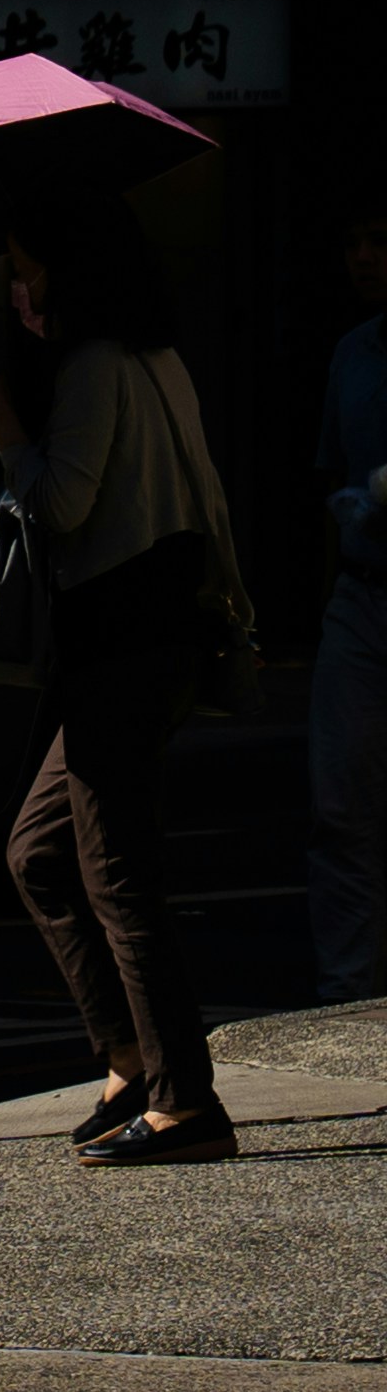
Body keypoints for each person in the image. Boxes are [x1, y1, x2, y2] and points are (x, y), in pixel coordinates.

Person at [0, 202, 255, 1164]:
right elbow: (207, 494)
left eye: (27, 271)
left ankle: (185, 1100)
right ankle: (130, 1059)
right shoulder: (160, 360)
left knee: (117, 874)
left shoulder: (94, 366)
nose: (22, 293)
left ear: (70, 272)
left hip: (122, 647)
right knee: (39, 853)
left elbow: (60, 502)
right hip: (158, 642)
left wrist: (6, 429)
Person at [316, 210, 387, 1005]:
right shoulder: (352, 355)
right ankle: (346, 1002)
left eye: (379, 240)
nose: (363, 256)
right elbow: (326, 474)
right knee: (341, 808)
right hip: (362, 595)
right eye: (356, 240)